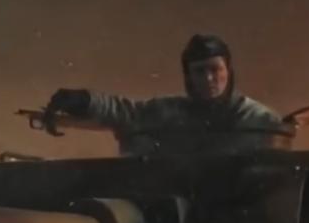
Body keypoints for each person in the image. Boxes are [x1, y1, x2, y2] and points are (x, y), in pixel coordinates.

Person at [44, 34, 295, 156]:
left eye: (215, 69)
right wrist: (82, 100)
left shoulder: (260, 119)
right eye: (200, 71)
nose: (209, 79)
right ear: (188, 76)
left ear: (228, 70)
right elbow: (125, 112)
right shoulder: (170, 112)